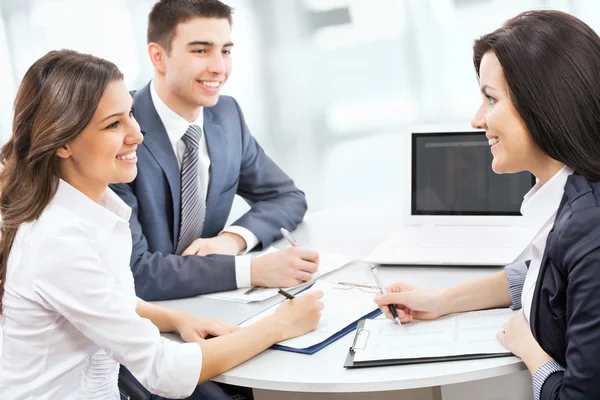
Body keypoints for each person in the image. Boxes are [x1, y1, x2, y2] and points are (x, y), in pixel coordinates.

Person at [0, 49, 323, 400]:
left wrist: (176, 319)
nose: (137, 134)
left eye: (131, 115)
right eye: (113, 124)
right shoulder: (58, 240)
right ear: (63, 142)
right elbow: (164, 372)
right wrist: (278, 325)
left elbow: (102, 299)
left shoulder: (90, 211)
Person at [374, 10, 600, 400]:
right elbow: (546, 275)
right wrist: (441, 300)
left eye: (490, 99)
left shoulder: (590, 228)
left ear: (542, 105)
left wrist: (528, 347)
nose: (477, 119)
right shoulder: (575, 198)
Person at [110, 0, 318, 302]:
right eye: (200, 51)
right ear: (158, 57)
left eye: (226, 51)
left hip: (213, 306)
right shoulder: (118, 131)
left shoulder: (226, 115)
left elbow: (286, 197)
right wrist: (250, 270)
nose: (219, 67)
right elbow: (136, 273)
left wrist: (232, 240)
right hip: (146, 320)